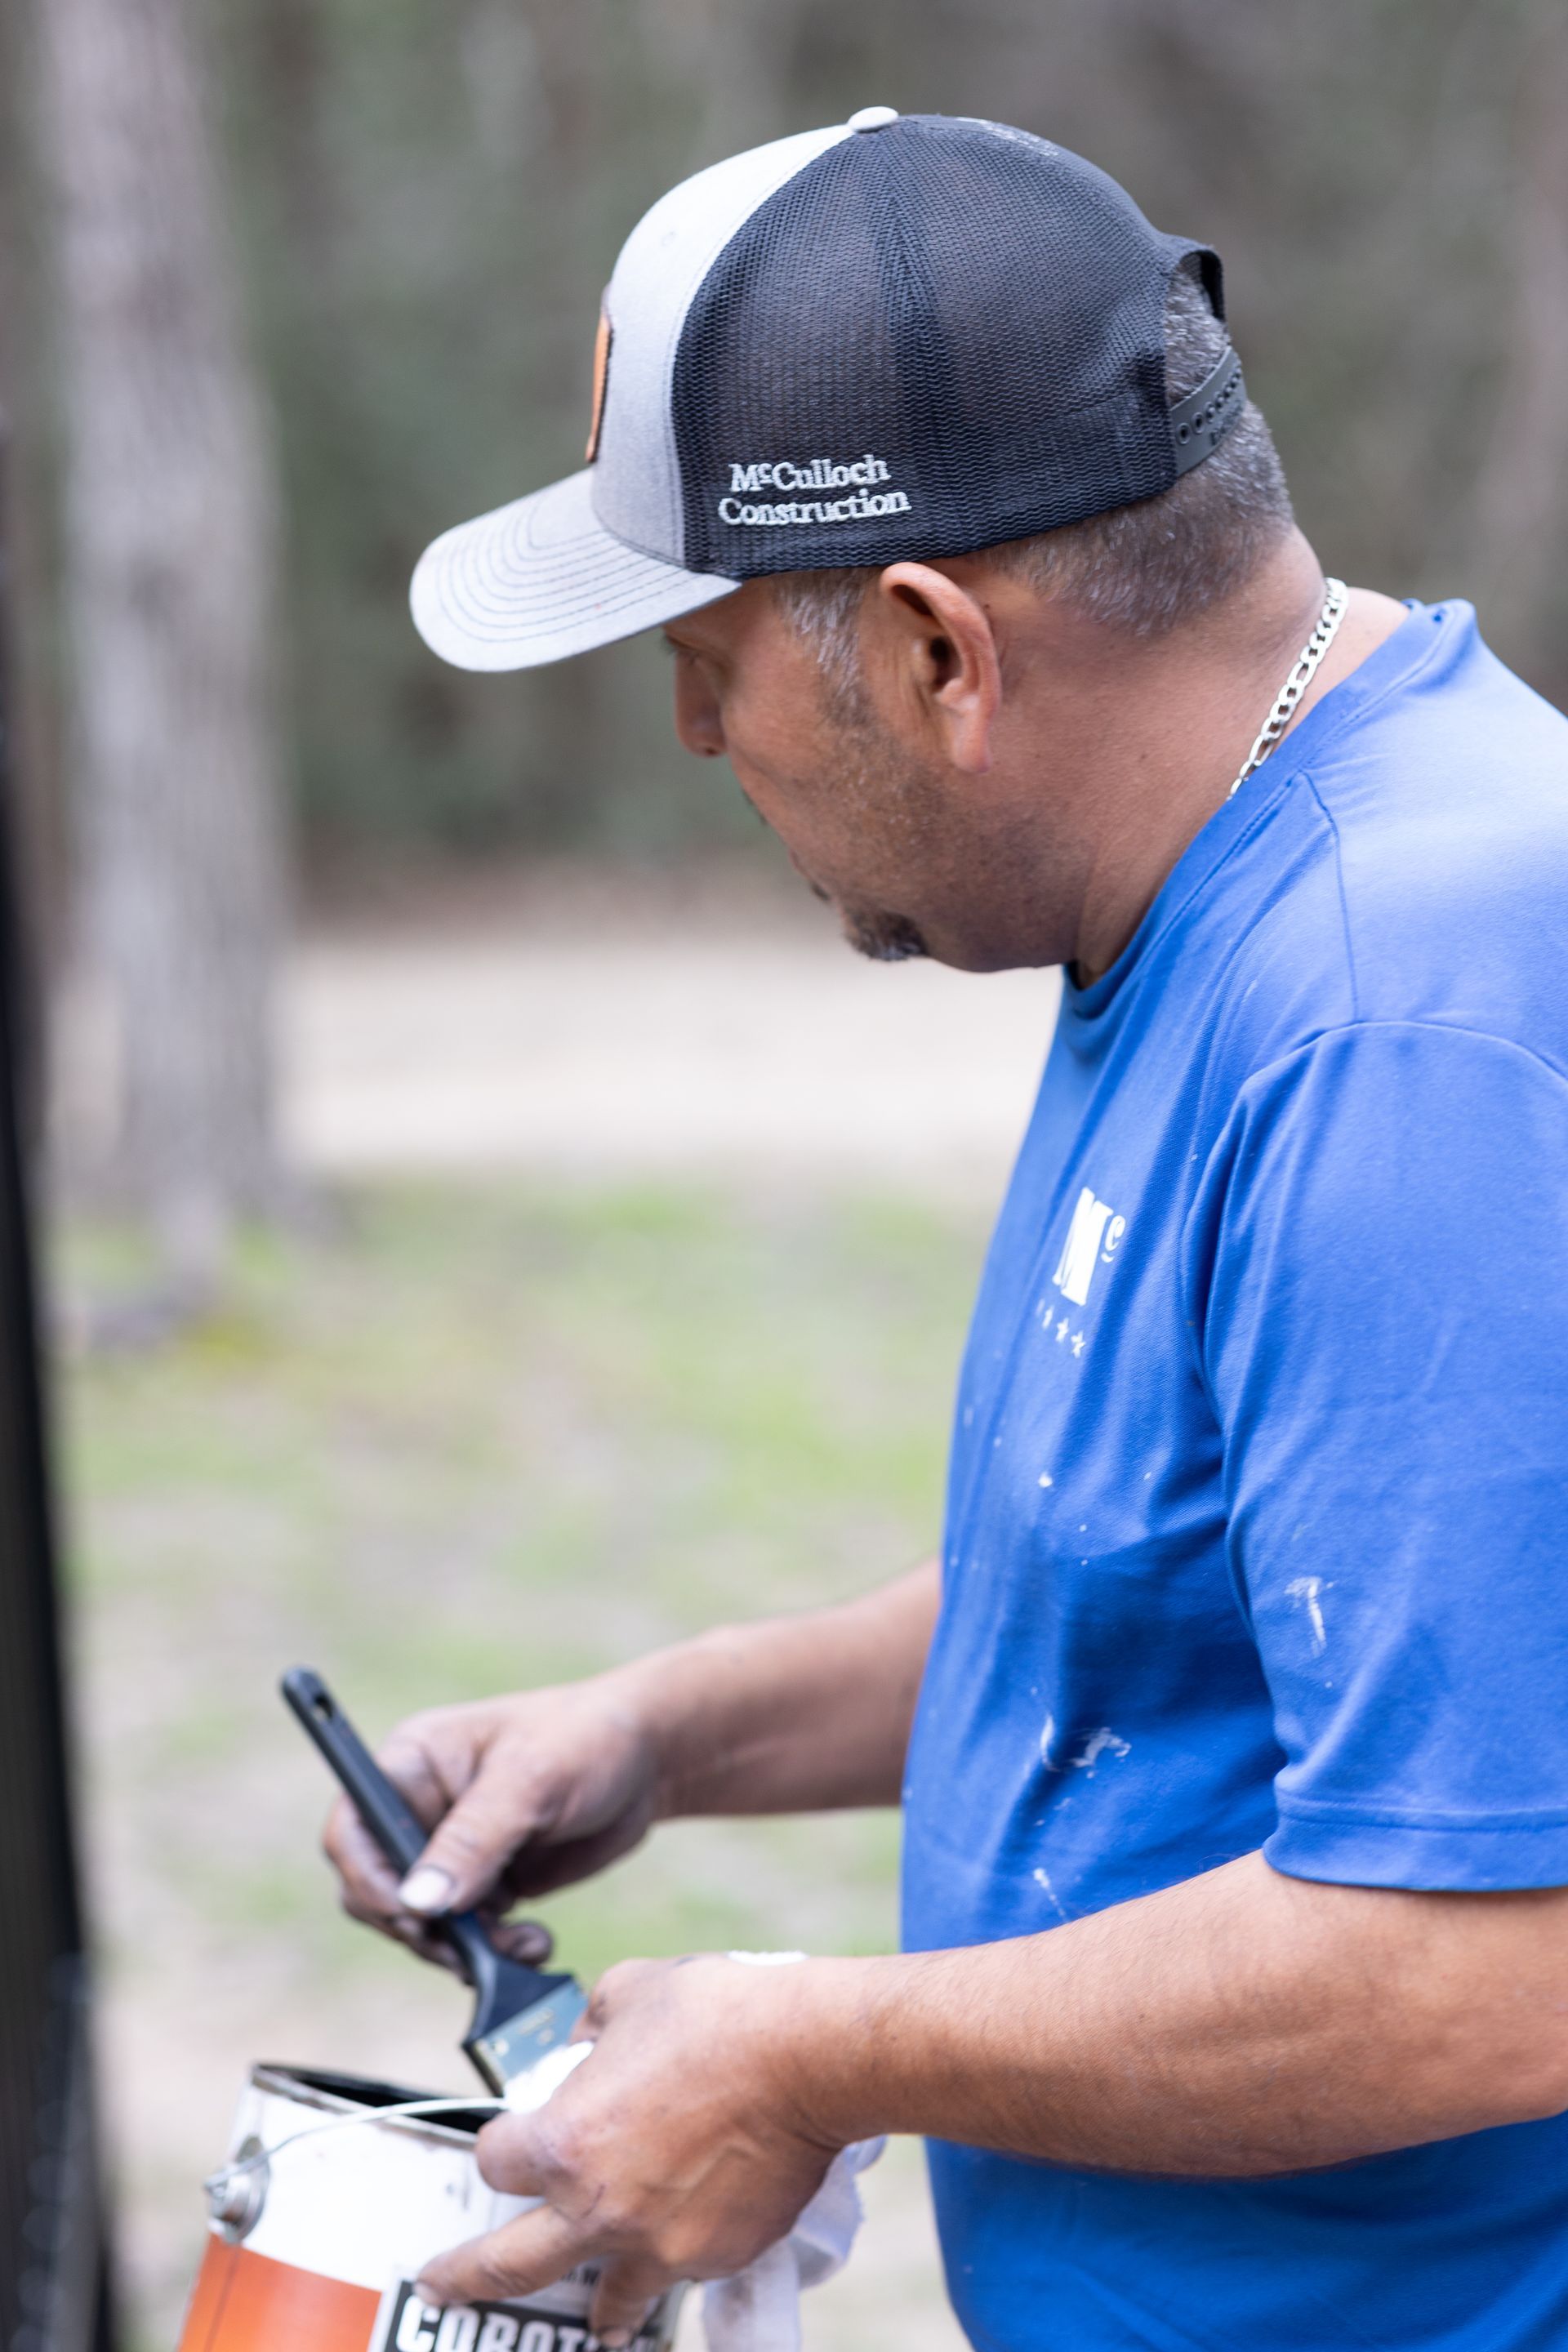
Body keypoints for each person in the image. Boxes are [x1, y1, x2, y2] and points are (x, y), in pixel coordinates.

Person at [327, 111, 1568, 2351]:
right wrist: (667, 1732)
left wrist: (810, 2048)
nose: (699, 738)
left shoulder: (1405, 1015)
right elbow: (1202, 1599)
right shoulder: (1213, 891)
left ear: (933, 655)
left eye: (706, 658)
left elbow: (1497, 1963)